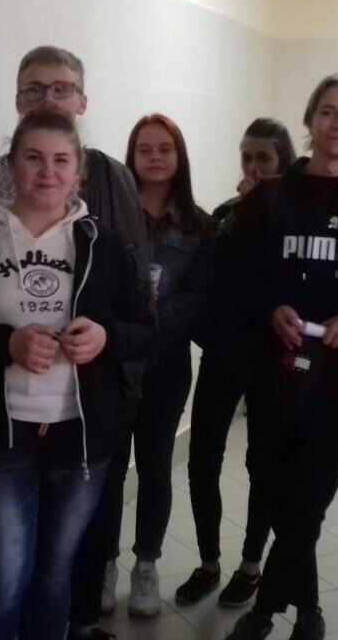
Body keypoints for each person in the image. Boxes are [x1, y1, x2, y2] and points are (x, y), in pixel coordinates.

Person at [0, 45, 149, 640]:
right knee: (3, 580)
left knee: (54, 574)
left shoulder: (103, 244)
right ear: (11, 165)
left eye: (61, 160)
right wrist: (6, 346)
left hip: (79, 435)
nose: (47, 172)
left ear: (78, 170)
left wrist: (106, 337)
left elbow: (144, 327)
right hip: (0, 434)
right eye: (33, 158)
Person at [224, 75, 338, 640]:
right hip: (274, 376)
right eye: (328, 112)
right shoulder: (270, 199)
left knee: (311, 501)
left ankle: (264, 611)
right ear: (310, 120)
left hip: (337, 383)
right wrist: (270, 307)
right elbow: (236, 277)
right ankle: (310, 611)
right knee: (283, 499)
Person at [96, 114, 213, 619]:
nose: (155, 157)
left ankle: (147, 565)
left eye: (165, 148)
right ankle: (104, 564)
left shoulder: (198, 225)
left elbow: (199, 295)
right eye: (145, 149)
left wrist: (153, 321)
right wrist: (125, 329)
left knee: (155, 466)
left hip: (166, 362)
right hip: (115, 361)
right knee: (110, 468)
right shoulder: (110, 215)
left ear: (179, 156)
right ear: (132, 156)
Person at [177, 118, 296, 608]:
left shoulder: (297, 217)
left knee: (261, 463)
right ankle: (209, 562)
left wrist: (260, 210)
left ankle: (250, 566)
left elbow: (279, 278)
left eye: (263, 158)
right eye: (246, 157)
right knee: (202, 459)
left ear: (283, 161)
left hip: (272, 360)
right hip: (222, 353)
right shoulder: (227, 213)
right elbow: (211, 278)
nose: (252, 167)